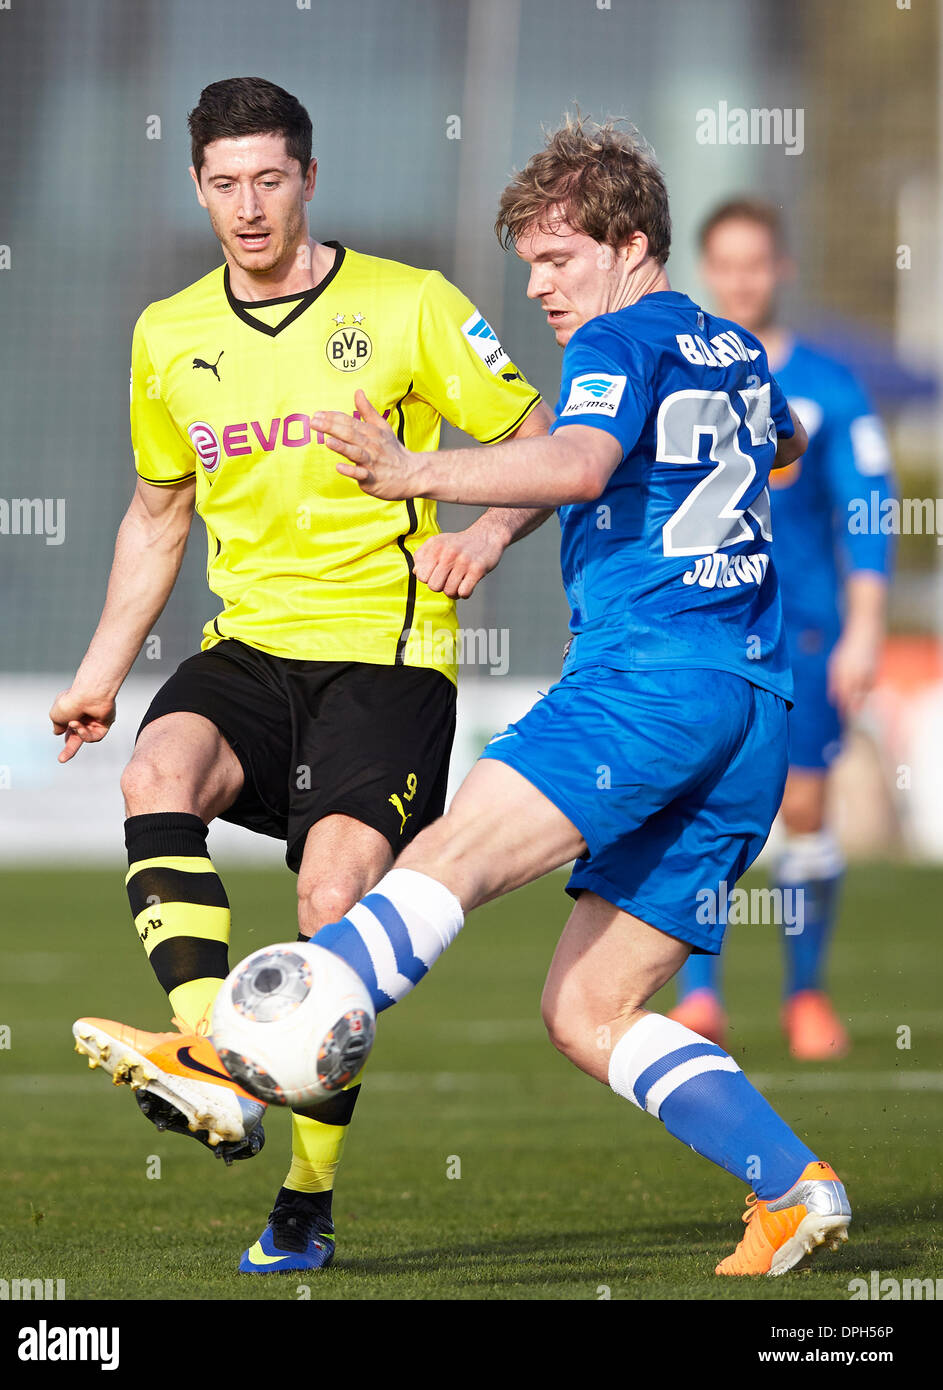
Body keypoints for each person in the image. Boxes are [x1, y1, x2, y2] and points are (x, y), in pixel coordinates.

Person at [294, 115, 853, 1277]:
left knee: (447, 855)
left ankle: (258, 1032)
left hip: (647, 683)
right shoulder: (737, 349)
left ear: (631, 241)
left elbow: (587, 458)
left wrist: (417, 471)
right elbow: (780, 446)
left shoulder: (614, 339)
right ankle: (794, 1182)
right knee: (586, 1006)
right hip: (753, 712)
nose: (542, 287)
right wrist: (509, 528)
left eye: (558, 259)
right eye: (531, 264)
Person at [50, 76, 551, 1274]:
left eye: (270, 179)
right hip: (251, 647)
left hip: (386, 653)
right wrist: (99, 670)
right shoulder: (170, 333)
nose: (248, 206)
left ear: (310, 178)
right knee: (156, 769)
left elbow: (540, 444)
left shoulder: (410, 305)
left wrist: (481, 530)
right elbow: (159, 511)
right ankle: (209, 1057)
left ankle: (304, 1201)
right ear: (198, 187)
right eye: (224, 183)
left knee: (333, 904)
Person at [670, 198, 894, 1058]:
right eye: (723, 264)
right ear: (705, 269)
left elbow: (868, 511)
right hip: (704, 625)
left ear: (779, 268)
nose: (739, 279)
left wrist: (864, 628)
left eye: (753, 263)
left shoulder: (830, 387)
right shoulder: (677, 373)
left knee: (802, 804)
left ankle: (804, 996)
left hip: (802, 632)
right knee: (698, 804)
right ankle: (699, 994)